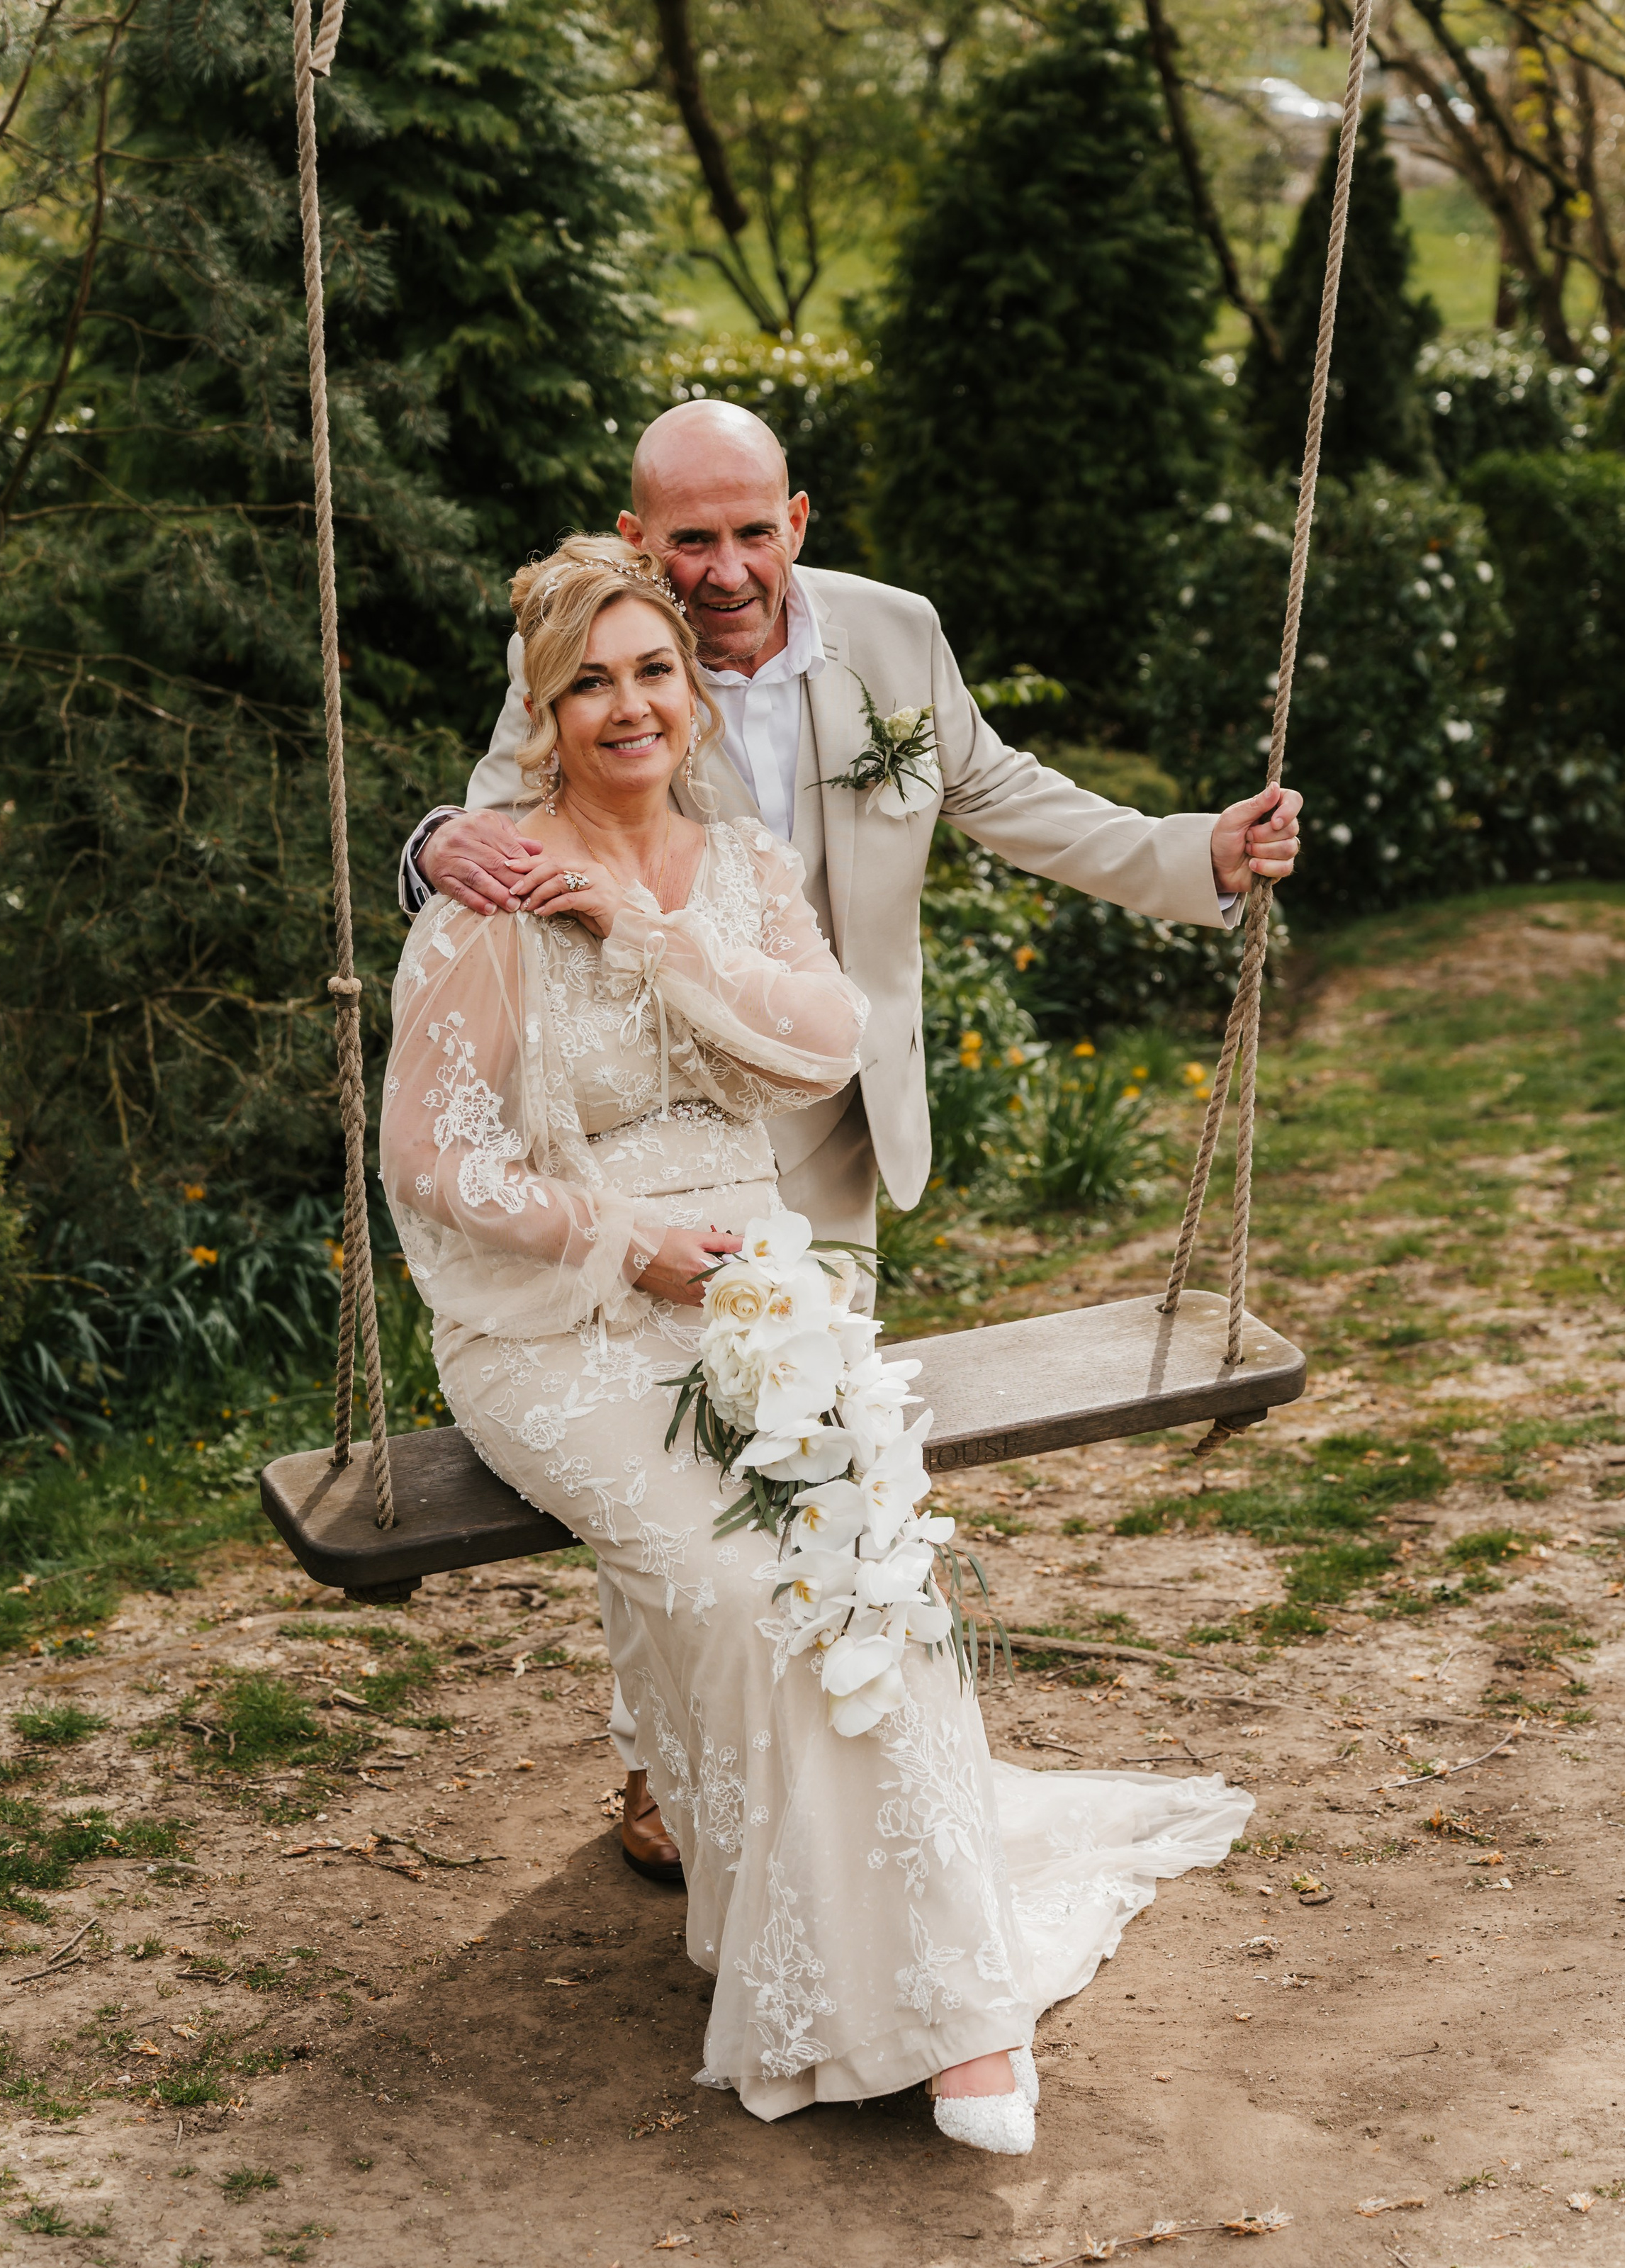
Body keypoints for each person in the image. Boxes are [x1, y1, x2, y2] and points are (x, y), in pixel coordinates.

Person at [381, 534, 1254, 2152]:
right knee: (727, 1581)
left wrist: (642, 930)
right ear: (543, 707)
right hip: (556, 1318)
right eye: (590, 681)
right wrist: (621, 1239)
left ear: (691, 695)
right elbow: (432, 1160)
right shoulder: (488, 889)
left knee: (868, 1563)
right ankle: (815, 1960)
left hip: (752, 1284)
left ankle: (943, 2001)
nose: (629, 703)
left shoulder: (732, 867)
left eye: (653, 672)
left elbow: (818, 1043)